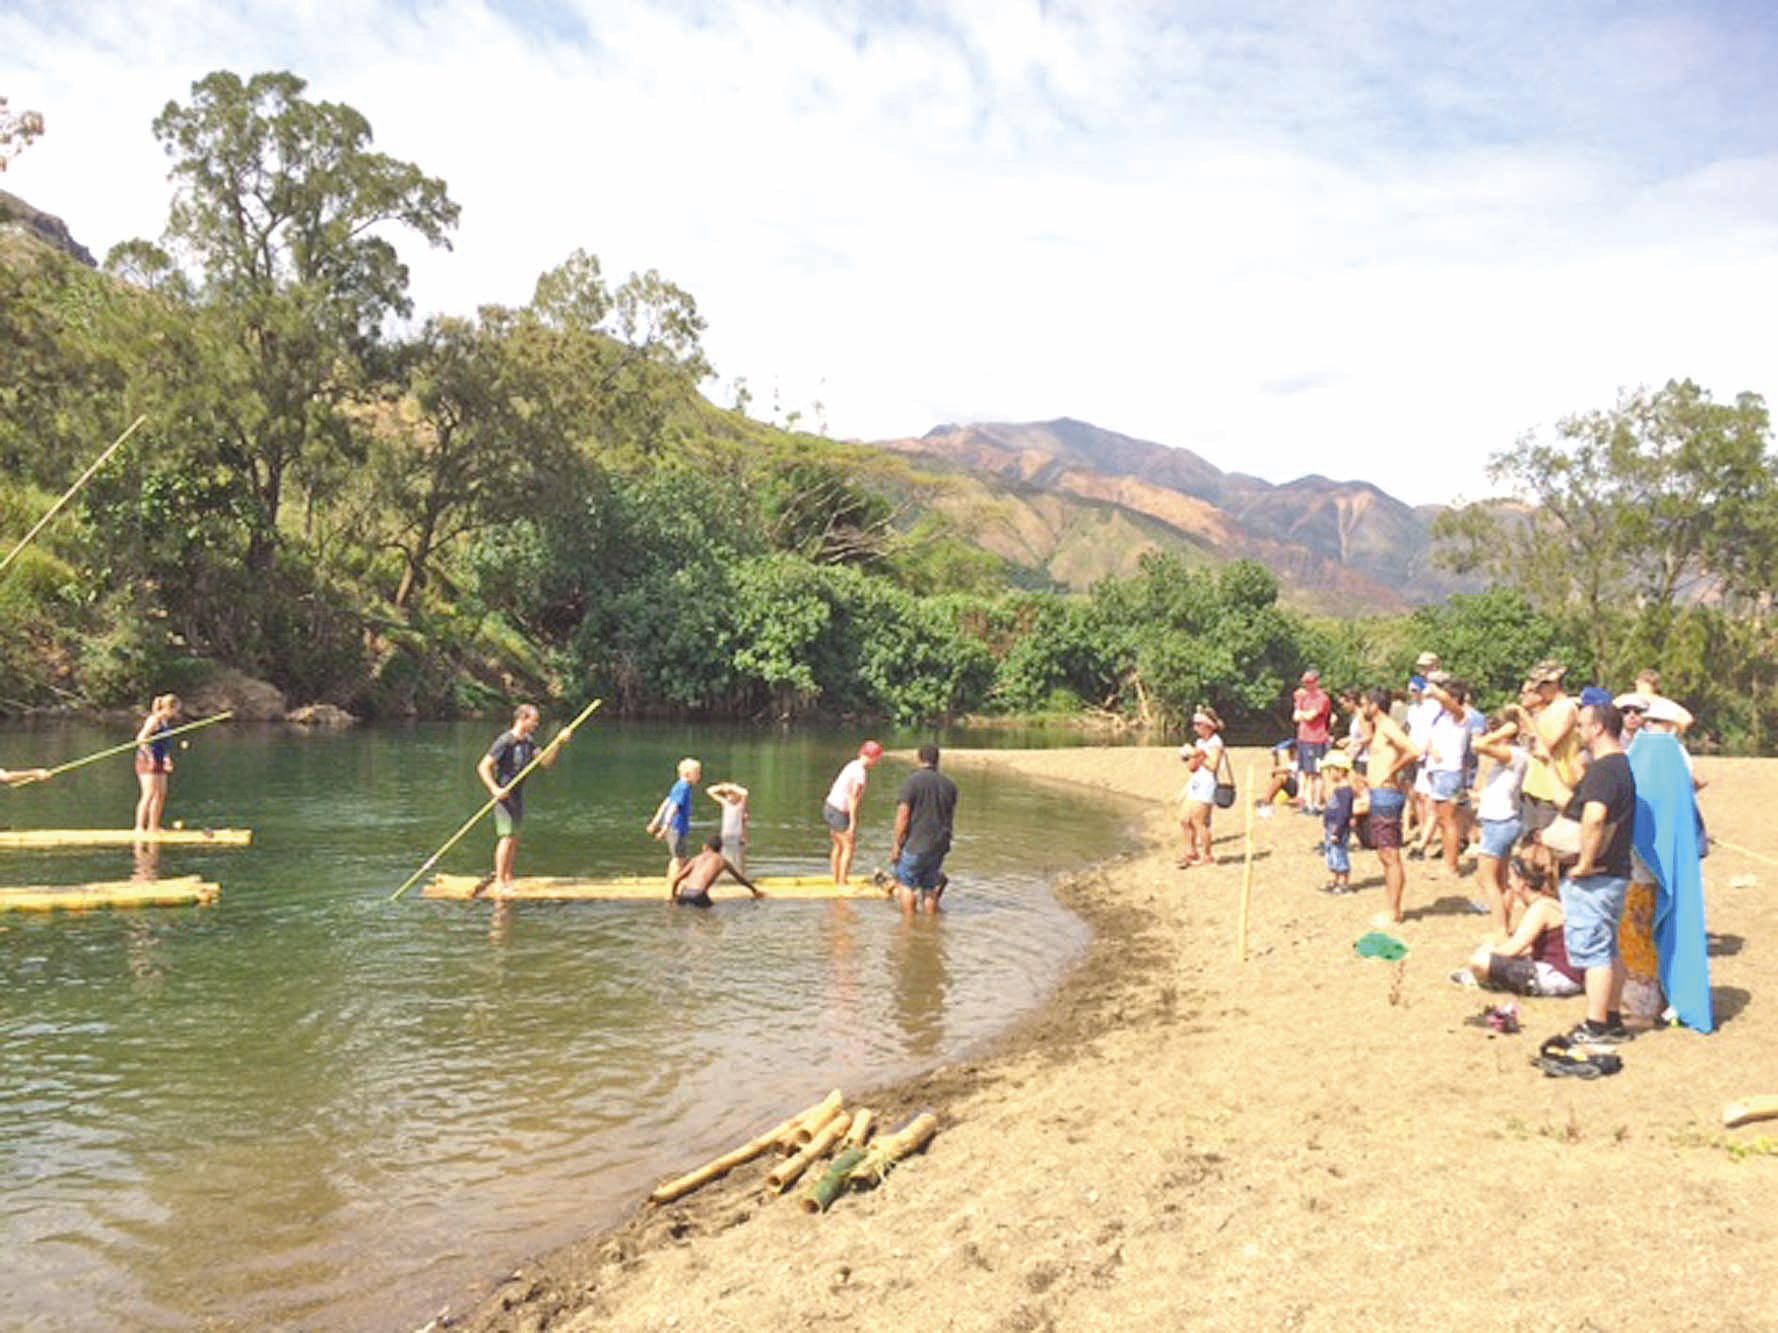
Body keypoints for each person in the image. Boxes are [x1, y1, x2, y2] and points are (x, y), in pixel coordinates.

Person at [1558, 702, 1638, 1045]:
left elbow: (1594, 817)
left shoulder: (1605, 770)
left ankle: (1596, 1025)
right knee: (1609, 948)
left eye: (1582, 726)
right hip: (1616, 873)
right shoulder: (1622, 766)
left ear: (1598, 728)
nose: (1578, 732)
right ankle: (1613, 1017)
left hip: (1597, 877)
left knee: (1594, 953)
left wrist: (1585, 863)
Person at [1450, 854, 1582, 996]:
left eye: (1512, 878)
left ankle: (1481, 978)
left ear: (1522, 882)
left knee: (1480, 960)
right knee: (1490, 950)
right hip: (1566, 973)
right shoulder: (1547, 903)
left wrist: (1485, 955)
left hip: (1557, 976)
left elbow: (1513, 949)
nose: (1509, 882)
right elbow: (1529, 948)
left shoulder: (1541, 908)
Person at [477, 703, 573, 892]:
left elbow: (545, 762)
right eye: (534, 720)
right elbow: (483, 766)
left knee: (515, 837)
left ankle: (508, 877)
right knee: (506, 836)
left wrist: (558, 743)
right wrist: (495, 789)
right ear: (522, 718)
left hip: (517, 795)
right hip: (504, 795)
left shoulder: (528, 742)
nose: (536, 724)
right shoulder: (505, 741)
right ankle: (499, 881)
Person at [1359, 688, 1419, 925]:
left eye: (1364, 703)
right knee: (1384, 853)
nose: (1362, 708)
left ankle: (1394, 911)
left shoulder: (1388, 726)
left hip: (1387, 794)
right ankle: (1390, 907)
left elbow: (1413, 750)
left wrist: (1392, 771)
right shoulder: (1378, 728)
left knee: (1391, 854)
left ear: (1374, 705)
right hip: (1378, 794)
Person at [1471, 711, 1529, 934]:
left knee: (1487, 880)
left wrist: (1504, 731)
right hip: (1504, 819)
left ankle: (1499, 929)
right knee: (1501, 880)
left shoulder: (1512, 754)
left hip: (1499, 822)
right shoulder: (1517, 754)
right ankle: (1504, 923)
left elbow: (1479, 745)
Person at [890, 743, 959, 916]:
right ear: (937, 760)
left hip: (915, 844)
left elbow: (903, 816)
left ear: (919, 759)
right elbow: (950, 817)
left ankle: (909, 924)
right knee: (929, 886)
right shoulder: (949, 786)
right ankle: (930, 924)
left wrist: (897, 845)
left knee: (905, 883)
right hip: (938, 845)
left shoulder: (911, 783)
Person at [1516, 661, 1581, 834]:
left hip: (1552, 788)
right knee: (1531, 840)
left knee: (1549, 843)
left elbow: (1547, 747)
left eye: (1540, 687)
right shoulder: (1548, 709)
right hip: (1535, 784)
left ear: (1554, 684)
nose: (1538, 692)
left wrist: (1526, 717)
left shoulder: (1567, 708)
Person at [1419, 673, 1471, 877]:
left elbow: (1448, 701)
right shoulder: (1441, 717)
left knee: (1448, 820)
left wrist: (1434, 688)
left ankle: (1451, 866)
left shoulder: (1461, 716)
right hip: (1439, 770)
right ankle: (1449, 862)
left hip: (1449, 772)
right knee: (1441, 819)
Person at [823, 741, 882, 886]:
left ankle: (836, 878)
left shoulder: (852, 764)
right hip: (839, 810)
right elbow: (853, 798)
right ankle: (842, 883)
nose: (877, 762)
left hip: (829, 806)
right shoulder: (860, 772)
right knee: (849, 846)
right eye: (877, 759)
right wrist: (853, 823)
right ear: (872, 757)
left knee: (838, 845)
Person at [1175, 708, 1225, 865]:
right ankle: (1191, 851)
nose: (1195, 728)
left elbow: (1213, 766)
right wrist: (1189, 756)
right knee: (1184, 819)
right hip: (1196, 783)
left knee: (1199, 822)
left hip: (1207, 785)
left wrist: (1201, 755)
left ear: (1207, 725)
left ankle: (1207, 855)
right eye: (1194, 724)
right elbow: (1192, 767)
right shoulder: (1200, 742)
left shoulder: (1215, 742)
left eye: (1198, 724)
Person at [646, 757, 702, 885]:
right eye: (697, 773)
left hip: (674, 828)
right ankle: (673, 883)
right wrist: (665, 827)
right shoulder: (683, 788)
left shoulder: (678, 786)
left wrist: (655, 821)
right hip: (676, 828)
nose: (699, 776)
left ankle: (672, 882)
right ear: (688, 774)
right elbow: (673, 807)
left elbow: (666, 803)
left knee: (678, 858)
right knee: (679, 860)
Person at [133, 693, 181, 835]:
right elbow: (141, 739)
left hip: (160, 761)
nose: (176, 713)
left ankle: (153, 826)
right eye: (176, 709)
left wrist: (166, 758)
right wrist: (150, 757)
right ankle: (139, 828)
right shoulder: (154, 720)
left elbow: (163, 744)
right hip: (146, 761)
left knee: (161, 794)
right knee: (148, 794)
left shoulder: (165, 722)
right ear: (169, 708)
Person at [670, 834, 763, 906]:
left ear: (705, 847)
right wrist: (754, 891)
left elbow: (676, 879)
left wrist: (674, 896)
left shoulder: (696, 859)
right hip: (699, 895)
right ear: (720, 849)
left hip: (684, 894)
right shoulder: (721, 861)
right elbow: (740, 879)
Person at [1292, 669, 1333, 814]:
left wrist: (1303, 714)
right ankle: (1306, 802)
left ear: (1317, 682)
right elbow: (1296, 716)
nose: (1307, 685)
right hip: (1303, 738)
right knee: (1304, 771)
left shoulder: (1322, 698)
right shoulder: (1303, 698)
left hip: (1316, 739)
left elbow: (1311, 716)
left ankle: (1315, 803)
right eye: (1305, 683)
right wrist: (1301, 709)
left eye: (1310, 682)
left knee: (1316, 772)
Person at [1319, 750, 1355, 894]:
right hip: (1331, 826)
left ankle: (1343, 881)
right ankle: (1333, 878)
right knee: (1331, 853)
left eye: (1330, 770)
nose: (1328, 774)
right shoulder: (1337, 789)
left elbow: (1344, 813)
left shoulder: (1345, 791)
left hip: (1338, 828)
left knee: (1339, 853)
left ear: (1340, 770)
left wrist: (1337, 831)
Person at [706, 781, 751, 874]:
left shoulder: (740, 805)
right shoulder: (726, 803)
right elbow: (709, 791)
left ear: (737, 796)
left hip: (736, 835)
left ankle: (739, 874)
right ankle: (725, 873)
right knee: (724, 855)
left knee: (737, 857)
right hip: (725, 835)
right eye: (727, 794)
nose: (728, 796)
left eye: (731, 794)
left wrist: (732, 787)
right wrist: (723, 787)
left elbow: (745, 793)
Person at [1254, 740, 1300, 817]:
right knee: (1278, 777)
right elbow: (1274, 773)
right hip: (1290, 787)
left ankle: (1267, 800)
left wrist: (1277, 767)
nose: (1290, 752)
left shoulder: (1298, 762)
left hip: (1298, 787)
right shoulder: (1291, 762)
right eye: (1289, 750)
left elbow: (1281, 770)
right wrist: (1276, 759)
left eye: (1292, 750)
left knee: (1280, 777)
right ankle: (1267, 799)